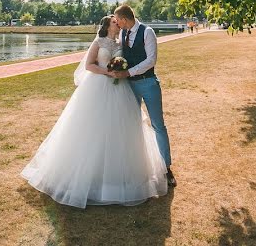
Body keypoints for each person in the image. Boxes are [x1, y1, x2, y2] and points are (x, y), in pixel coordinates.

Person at [21, 15, 168, 208]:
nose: (118, 24)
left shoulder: (121, 41)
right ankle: (87, 175)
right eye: (115, 22)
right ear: (108, 25)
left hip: (120, 88)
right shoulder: (99, 42)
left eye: (119, 21)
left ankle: (120, 176)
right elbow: (89, 65)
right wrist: (107, 72)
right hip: (98, 86)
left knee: (120, 129)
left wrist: (120, 70)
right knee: (93, 127)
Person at [111, 4, 176, 188]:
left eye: (118, 20)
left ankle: (166, 168)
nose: (117, 24)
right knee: (132, 126)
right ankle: (136, 168)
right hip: (129, 87)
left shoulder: (147, 32)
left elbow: (151, 60)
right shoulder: (123, 33)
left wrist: (128, 72)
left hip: (148, 83)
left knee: (158, 125)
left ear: (124, 19)